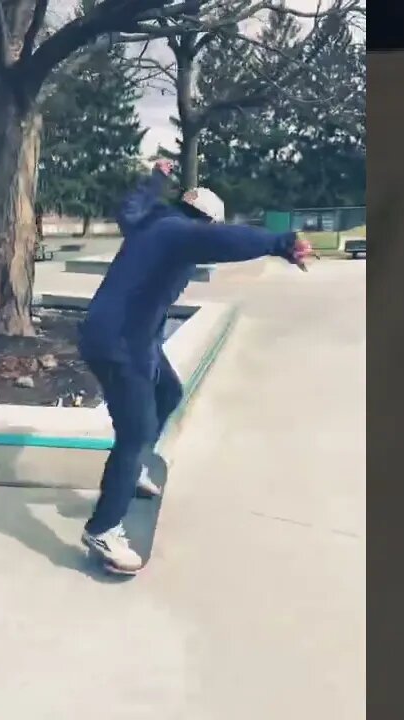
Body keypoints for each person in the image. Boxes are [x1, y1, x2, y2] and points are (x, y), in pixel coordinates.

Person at [77, 158, 313, 575]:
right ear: (204, 223)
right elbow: (226, 241)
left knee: (168, 392)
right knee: (136, 433)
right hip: (121, 345)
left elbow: (130, 205)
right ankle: (103, 527)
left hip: (130, 336)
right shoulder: (180, 235)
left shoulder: (148, 221)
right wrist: (279, 243)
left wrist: (156, 178)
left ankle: (131, 471)